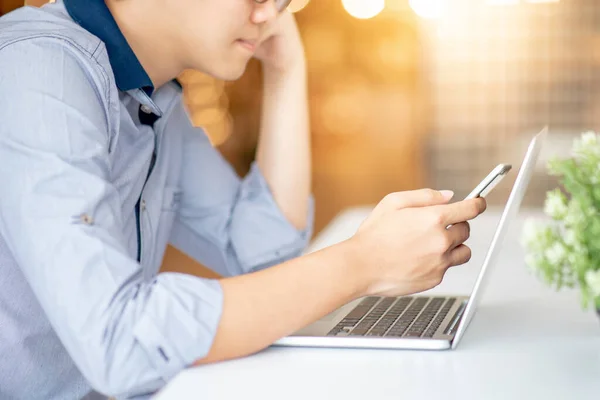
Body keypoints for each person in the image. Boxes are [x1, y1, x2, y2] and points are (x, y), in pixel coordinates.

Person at [0, 0, 486, 399]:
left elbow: (262, 251)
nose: (273, 13)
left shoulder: (154, 99)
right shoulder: (39, 70)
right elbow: (119, 342)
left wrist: (286, 69)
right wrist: (363, 262)